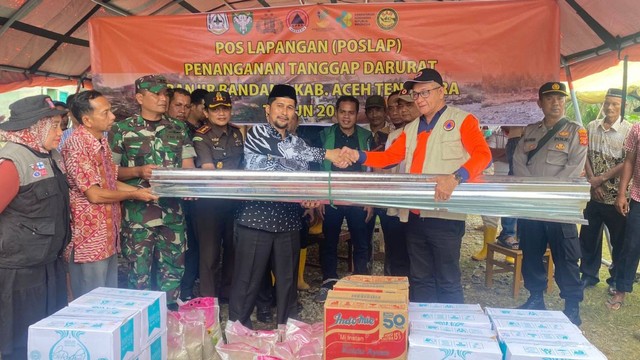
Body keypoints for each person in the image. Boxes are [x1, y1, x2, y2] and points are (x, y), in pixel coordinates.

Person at [342, 68, 492, 303]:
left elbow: (483, 156)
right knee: (420, 278)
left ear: (441, 92)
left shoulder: (462, 120)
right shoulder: (410, 129)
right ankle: (425, 332)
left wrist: (455, 178)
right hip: (414, 216)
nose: (420, 99)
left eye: (425, 93)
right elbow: (389, 157)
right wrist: (358, 156)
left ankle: (450, 334)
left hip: (445, 216)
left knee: (447, 279)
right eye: (416, 94)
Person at [228, 84, 347, 330]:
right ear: (268, 110)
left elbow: (302, 179)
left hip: (288, 222)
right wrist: (329, 154)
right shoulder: (256, 133)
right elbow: (286, 151)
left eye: (290, 107)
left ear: (295, 113)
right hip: (256, 220)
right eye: (279, 106)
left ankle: (288, 333)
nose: (284, 112)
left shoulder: (298, 141)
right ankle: (237, 334)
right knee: (246, 281)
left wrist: (309, 199)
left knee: (287, 283)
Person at [108, 75, 196, 305]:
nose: (162, 99)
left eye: (165, 94)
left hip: (172, 214)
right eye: (155, 94)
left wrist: (190, 185)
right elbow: (108, 174)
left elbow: (188, 167)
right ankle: (141, 328)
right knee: (139, 275)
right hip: (138, 216)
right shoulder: (121, 129)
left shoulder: (178, 127)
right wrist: (138, 171)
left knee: (173, 272)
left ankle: (169, 323)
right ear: (139, 97)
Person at [61, 90, 158, 298]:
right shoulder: (77, 146)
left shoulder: (100, 141)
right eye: (105, 113)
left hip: (107, 235)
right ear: (87, 120)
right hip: (89, 239)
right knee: (91, 301)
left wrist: (140, 186)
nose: (112, 116)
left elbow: (110, 178)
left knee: (107, 298)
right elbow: (94, 194)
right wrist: (135, 195)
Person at [0, 95, 70, 360]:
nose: (60, 131)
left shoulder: (51, 155)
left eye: (59, 124)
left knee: (48, 336)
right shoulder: (11, 162)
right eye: (53, 125)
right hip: (19, 271)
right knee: (20, 342)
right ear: (34, 127)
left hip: (48, 264)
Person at [512, 82, 587, 326]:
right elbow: (519, 160)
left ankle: (572, 307)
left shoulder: (577, 131)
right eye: (549, 98)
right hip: (532, 206)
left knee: (566, 257)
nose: (555, 103)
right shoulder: (531, 130)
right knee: (532, 253)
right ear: (540, 103)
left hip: (559, 207)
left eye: (559, 98)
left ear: (564, 102)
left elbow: (574, 167)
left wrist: (547, 193)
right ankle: (536, 298)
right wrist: (533, 192)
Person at [314, 95, 373, 303]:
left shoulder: (366, 136)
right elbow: (320, 168)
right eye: (342, 112)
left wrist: (369, 200)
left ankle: (361, 281)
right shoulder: (324, 135)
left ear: (357, 115)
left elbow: (372, 169)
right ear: (336, 113)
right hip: (332, 197)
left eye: (351, 112)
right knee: (329, 240)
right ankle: (329, 281)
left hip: (358, 197)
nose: (346, 117)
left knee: (361, 240)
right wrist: (321, 197)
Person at [192, 91, 243, 301]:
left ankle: (227, 296)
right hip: (209, 205)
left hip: (234, 203)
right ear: (206, 112)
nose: (221, 113)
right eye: (215, 109)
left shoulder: (237, 133)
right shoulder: (200, 136)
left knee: (233, 250)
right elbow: (208, 170)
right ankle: (208, 302)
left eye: (225, 108)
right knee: (210, 256)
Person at [580, 88, 632, 291]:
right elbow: (583, 153)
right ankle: (588, 275)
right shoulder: (592, 127)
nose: (609, 107)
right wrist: (594, 182)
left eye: (615, 104)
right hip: (593, 194)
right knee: (588, 237)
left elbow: (628, 162)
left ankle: (616, 279)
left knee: (620, 241)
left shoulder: (629, 130)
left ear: (623, 106)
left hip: (617, 197)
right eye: (607, 103)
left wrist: (601, 179)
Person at [608, 118, 640, 310]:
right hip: (638, 197)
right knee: (630, 246)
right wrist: (621, 193)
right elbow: (629, 161)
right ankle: (621, 290)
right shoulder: (637, 129)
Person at [379, 90, 412, 277]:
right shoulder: (394, 137)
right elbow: (388, 172)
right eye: (396, 107)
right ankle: (395, 298)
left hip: (419, 209)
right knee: (397, 259)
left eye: (406, 105)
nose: (400, 111)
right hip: (396, 208)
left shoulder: (430, 135)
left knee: (418, 261)